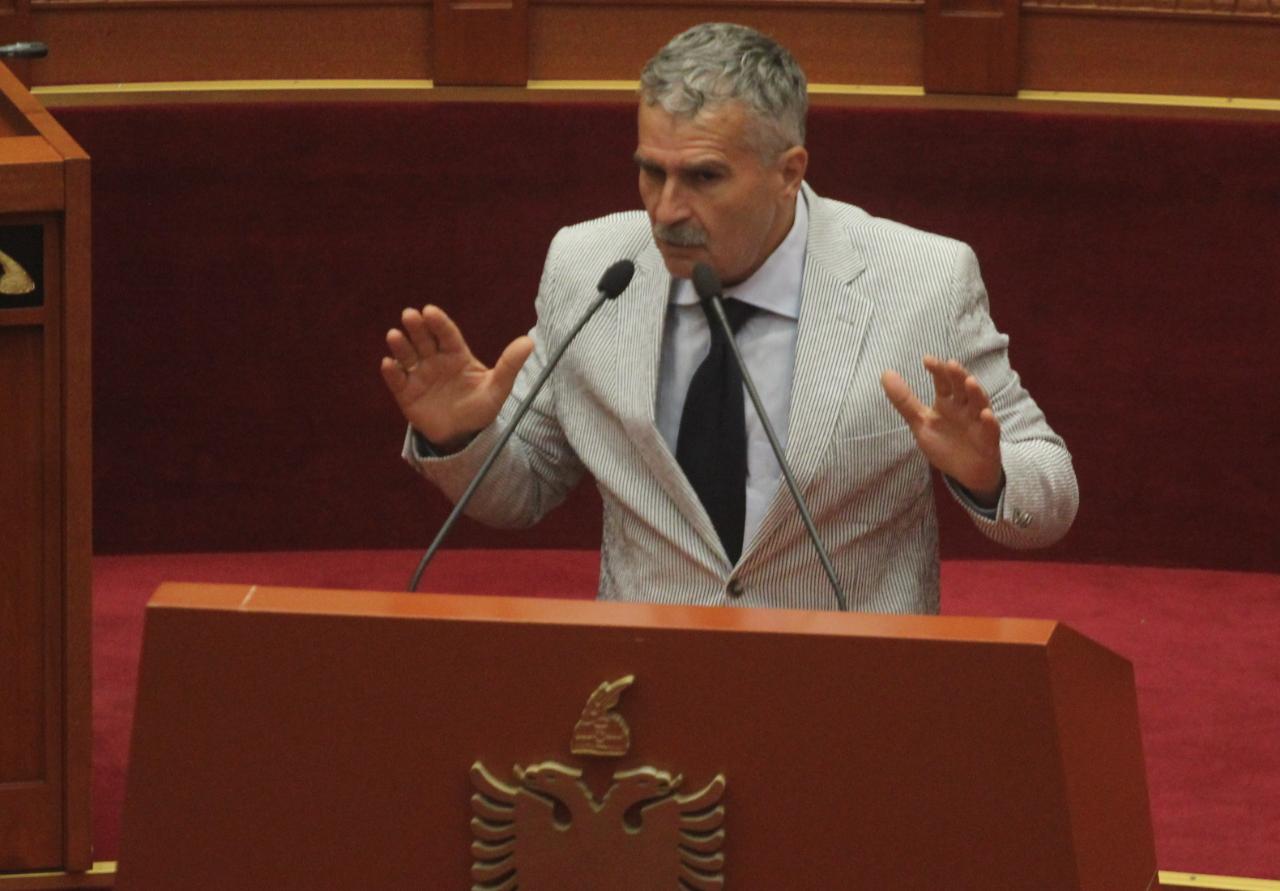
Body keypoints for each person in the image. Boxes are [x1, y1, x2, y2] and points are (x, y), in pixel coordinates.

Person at [380, 22, 1077, 613]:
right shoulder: (589, 267)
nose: (666, 209)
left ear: (788, 172)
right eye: (652, 171)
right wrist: (461, 436)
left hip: (849, 686)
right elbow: (525, 488)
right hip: (648, 684)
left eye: (704, 177)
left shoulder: (921, 280)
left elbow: (1050, 493)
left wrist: (987, 475)